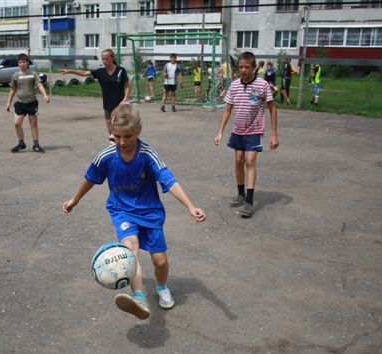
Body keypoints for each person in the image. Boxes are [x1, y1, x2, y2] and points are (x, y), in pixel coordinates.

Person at [63, 104, 206, 319]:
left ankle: (161, 287)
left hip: (150, 213)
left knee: (160, 261)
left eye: (127, 136)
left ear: (138, 131)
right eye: (116, 136)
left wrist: (190, 206)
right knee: (130, 248)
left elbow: (169, 179)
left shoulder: (148, 155)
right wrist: (74, 199)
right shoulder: (107, 155)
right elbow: (90, 179)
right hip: (122, 211)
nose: (121, 142)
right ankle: (139, 297)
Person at [214, 51, 279, 218]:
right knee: (238, 161)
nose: (243, 70)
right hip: (238, 131)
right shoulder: (234, 85)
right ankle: (241, 195)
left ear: (254, 67)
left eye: (247, 67)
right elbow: (228, 109)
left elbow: (272, 108)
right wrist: (220, 131)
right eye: (241, 67)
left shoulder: (262, 85)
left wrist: (274, 134)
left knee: (250, 162)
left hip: (255, 130)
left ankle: (249, 202)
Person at [60, 49, 129, 143]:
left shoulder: (121, 71)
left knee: (121, 131)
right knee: (111, 133)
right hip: (107, 106)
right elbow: (84, 73)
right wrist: (69, 71)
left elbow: (127, 87)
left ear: (112, 58)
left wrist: (125, 99)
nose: (105, 61)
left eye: (107, 59)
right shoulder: (100, 72)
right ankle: (114, 149)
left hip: (120, 106)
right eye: (103, 59)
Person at [6, 53, 50, 153]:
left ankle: (36, 144)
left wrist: (45, 95)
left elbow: (39, 85)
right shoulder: (15, 75)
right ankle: (21, 143)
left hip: (31, 103)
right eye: (20, 62)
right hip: (20, 103)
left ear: (27, 63)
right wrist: (8, 102)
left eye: (24, 62)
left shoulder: (33, 73)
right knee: (17, 123)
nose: (22, 64)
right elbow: (12, 89)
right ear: (18, 63)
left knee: (33, 124)